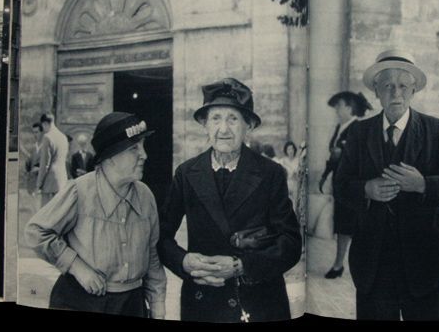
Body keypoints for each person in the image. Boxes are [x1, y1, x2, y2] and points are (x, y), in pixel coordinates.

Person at [158, 77, 302, 322]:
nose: (223, 129)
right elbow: (161, 235)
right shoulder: (186, 173)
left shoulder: (270, 174)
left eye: (233, 119)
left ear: (249, 126)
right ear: (204, 125)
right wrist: (184, 261)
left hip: (258, 301)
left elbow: (291, 243)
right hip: (203, 300)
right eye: (215, 118)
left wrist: (241, 266)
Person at [333, 50, 439, 321]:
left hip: (425, 262)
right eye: (388, 86)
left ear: (414, 90)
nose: (396, 93)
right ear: (376, 91)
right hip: (373, 265)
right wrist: (366, 189)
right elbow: (340, 185)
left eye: (403, 86)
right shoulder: (358, 132)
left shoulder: (438, 131)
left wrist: (422, 184)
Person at [24, 112, 167, 318]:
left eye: (142, 146)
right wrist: (76, 266)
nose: (144, 155)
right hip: (80, 301)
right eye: (134, 148)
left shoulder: (145, 196)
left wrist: (157, 303)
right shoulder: (79, 191)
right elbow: (36, 231)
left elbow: (151, 254)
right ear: (110, 156)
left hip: (132, 305)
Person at [318, 91, 371, 279]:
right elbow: (333, 157)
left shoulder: (360, 127)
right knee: (343, 225)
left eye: (339, 106)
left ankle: (353, 265)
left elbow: (364, 158)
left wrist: (344, 153)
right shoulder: (340, 127)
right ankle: (339, 264)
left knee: (353, 225)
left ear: (349, 108)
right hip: (340, 184)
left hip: (353, 185)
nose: (336, 110)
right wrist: (325, 176)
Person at [36, 113, 70, 207]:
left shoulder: (47, 137)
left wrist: (39, 184)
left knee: (47, 215)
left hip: (49, 183)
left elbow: (44, 165)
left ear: (45, 124)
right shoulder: (63, 137)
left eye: (43, 126)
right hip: (62, 180)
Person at [277, 141, 300, 210]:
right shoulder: (283, 161)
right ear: (286, 151)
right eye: (289, 149)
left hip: (295, 183)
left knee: (295, 203)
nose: (290, 151)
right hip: (286, 183)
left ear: (294, 150)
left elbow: (298, 172)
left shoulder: (298, 160)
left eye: (292, 149)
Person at [24, 122, 44, 195]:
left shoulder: (46, 147)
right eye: (34, 133)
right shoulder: (33, 148)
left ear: (42, 133)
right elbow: (28, 166)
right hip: (32, 183)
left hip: (43, 184)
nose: (35, 135)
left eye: (37, 132)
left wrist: (39, 168)